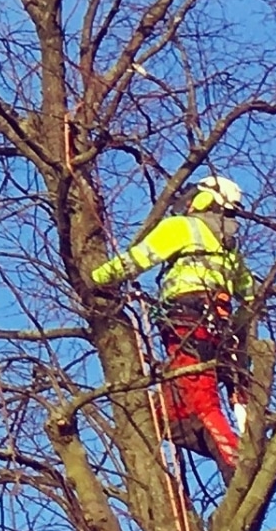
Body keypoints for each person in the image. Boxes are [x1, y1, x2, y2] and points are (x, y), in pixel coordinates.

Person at [89, 175, 253, 474]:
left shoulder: (183, 227)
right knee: (165, 411)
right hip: (217, 326)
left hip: (187, 321)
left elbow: (139, 258)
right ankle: (197, 435)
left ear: (203, 199)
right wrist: (236, 326)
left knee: (203, 403)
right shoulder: (228, 248)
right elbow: (251, 293)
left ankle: (237, 467)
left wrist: (98, 277)